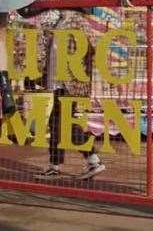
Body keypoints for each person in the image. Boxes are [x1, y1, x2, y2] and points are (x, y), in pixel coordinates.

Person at [34, 11, 105, 181]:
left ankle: (90, 159)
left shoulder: (78, 21)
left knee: (62, 122)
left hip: (70, 81)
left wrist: (80, 70)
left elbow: (93, 46)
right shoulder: (59, 21)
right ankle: (59, 165)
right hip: (59, 81)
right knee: (58, 123)